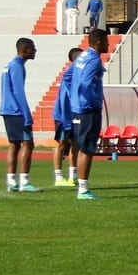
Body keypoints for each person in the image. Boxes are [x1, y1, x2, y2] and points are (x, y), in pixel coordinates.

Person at [67, 29, 109, 200]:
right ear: (98, 42)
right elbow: (85, 84)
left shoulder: (82, 57)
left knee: (83, 147)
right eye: (106, 41)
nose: (108, 44)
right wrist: (93, 102)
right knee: (87, 149)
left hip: (77, 108)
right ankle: (83, 190)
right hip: (87, 110)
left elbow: (71, 79)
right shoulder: (93, 59)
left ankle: (82, 187)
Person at [0, 37, 42, 193]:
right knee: (28, 144)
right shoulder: (17, 66)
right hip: (16, 110)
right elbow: (18, 91)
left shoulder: (8, 64)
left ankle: (11, 181)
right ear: (24, 50)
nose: (35, 51)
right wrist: (26, 114)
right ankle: (24, 181)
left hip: (6, 109)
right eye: (33, 48)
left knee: (14, 145)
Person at [52, 47, 81, 187]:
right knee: (61, 144)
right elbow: (65, 98)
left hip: (74, 114)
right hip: (63, 115)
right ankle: (58, 177)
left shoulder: (78, 74)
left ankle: (72, 176)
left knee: (75, 144)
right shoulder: (69, 75)